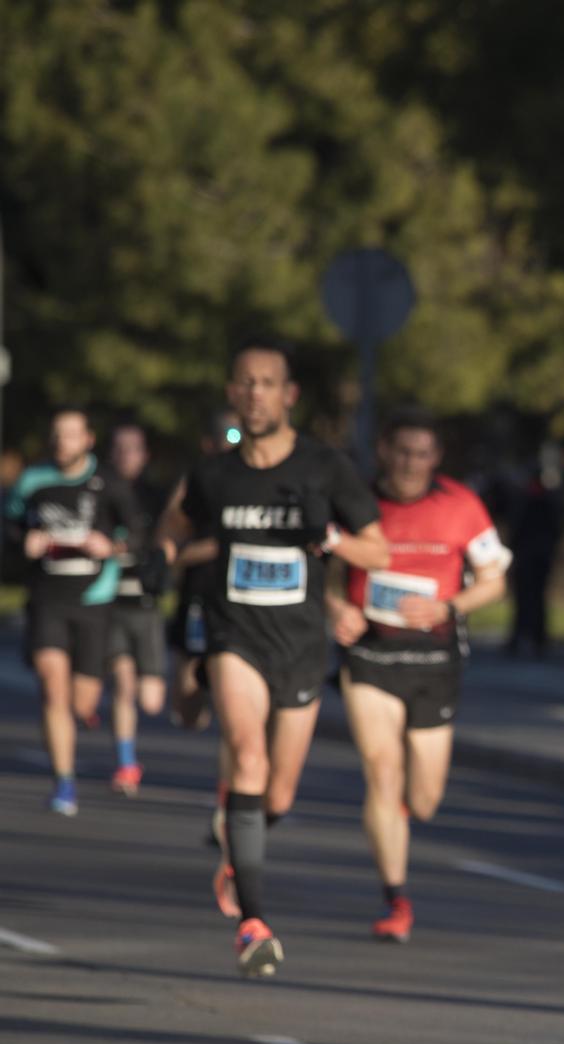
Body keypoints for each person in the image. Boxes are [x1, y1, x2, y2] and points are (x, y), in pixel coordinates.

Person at [155, 338, 390, 978]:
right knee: (247, 754)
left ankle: (240, 847)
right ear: (232, 393)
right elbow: (176, 522)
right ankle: (254, 923)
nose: (255, 393)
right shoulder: (216, 473)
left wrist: (331, 537)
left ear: (289, 396)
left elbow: (379, 551)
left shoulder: (325, 467)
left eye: (267, 384)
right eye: (244, 383)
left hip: (301, 645)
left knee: (278, 791)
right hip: (236, 637)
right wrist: (164, 555)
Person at [327, 409, 511, 944]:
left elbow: (494, 581)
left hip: (434, 659)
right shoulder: (358, 501)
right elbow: (327, 573)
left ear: (437, 459)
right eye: (402, 451)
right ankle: (395, 898)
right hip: (370, 656)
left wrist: (448, 607)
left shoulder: (460, 505)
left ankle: (400, 817)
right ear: (384, 450)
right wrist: (335, 608)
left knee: (425, 799)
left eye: (423, 454)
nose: (411, 463)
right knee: (381, 773)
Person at [4, 409, 143, 815]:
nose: (62, 443)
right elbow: (9, 527)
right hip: (47, 596)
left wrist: (112, 546)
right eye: (56, 435)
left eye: (70, 435)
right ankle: (64, 781)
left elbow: (137, 531)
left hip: (94, 599)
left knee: (81, 702)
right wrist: (23, 541)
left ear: (88, 439)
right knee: (52, 688)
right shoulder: (32, 481)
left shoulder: (108, 484)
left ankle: (81, 715)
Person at [102, 422, 172, 795]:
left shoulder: (155, 496)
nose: (127, 456)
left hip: (145, 605)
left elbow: (169, 540)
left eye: (134, 448)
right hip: (111, 601)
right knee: (123, 686)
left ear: (144, 455)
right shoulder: (99, 491)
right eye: (120, 448)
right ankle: (126, 763)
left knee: (151, 698)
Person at [166, 411, 242, 733]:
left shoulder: (261, 480)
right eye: (226, 438)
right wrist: (220, 546)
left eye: (238, 438)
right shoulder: (194, 483)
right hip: (200, 594)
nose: (232, 447)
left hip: (245, 600)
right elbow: (172, 549)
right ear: (208, 444)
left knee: (239, 701)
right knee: (189, 702)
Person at [504, 459, 562, 657]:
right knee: (531, 598)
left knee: (529, 598)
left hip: (531, 555)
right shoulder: (543, 499)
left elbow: (517, 529)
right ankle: (532, 637)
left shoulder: (529, 500)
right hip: (537, 555)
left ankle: (530, 637)